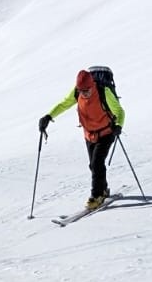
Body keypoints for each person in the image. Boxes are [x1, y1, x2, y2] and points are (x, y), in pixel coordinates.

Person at [38, 66, 125, 210]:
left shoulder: (104, 91)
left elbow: (119, 111)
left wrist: (118, 126)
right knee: (93, 165)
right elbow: (64, 104)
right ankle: (103, 189)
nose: (84, 93)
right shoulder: (77, 91)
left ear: (92, 85)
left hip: (106, 132)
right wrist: (48, 116)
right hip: (89, 134)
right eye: (82, 91)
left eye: (87, 90)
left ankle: (96, 196)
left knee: (97, 162)